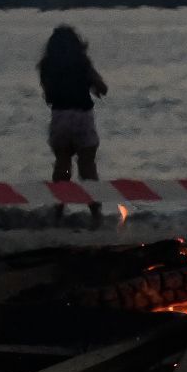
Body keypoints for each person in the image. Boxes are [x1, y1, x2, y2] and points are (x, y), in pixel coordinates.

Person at [38, 26, 109, 225]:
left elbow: (48, 94)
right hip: (83, 117)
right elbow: (102, 88)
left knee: (62, 166)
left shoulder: (47, 65)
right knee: (87, 167)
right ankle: (96, 215)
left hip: (60, 116)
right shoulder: (82, 63)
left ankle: (58, 212)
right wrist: (94, 86)